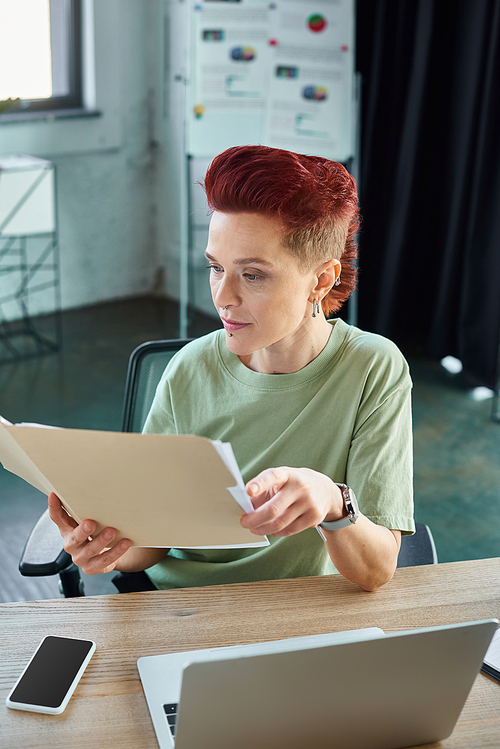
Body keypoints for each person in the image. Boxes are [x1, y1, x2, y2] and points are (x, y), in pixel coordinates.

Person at [49, 145, 414, 592]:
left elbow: (375, 572)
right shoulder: (189, 369)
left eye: (253, 274)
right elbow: (153, 543)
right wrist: (106, 546)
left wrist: (333, 503)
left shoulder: (373, 368)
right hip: (175, 606)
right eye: (216, 267)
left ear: (321, 280)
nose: (223, 296)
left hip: (295, 611)